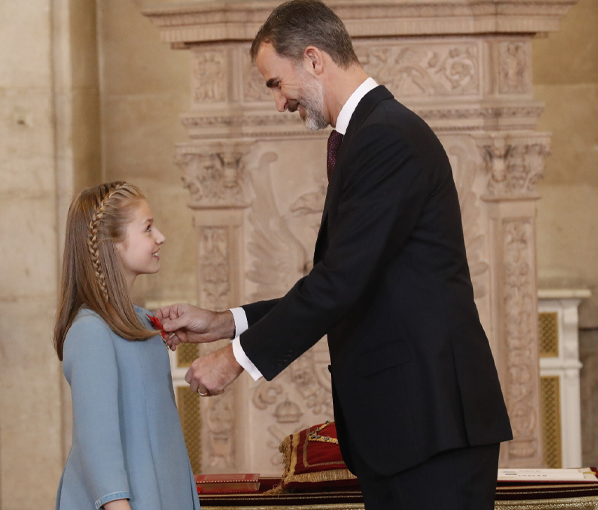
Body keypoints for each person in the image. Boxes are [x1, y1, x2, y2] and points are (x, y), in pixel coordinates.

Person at [156, 1, 513, 509]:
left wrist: (235, 360)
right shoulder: (370, 134)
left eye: (276, 83)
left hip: (433, 424)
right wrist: (224, 322)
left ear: (313, 59)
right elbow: (345, 281)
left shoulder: (387, 137)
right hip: (405, 429)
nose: (279, 103)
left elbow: (339, 283)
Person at [53, 182, 200, 510]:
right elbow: (97, 444)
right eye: (148, 228)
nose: (160, 236)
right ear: (113, 244)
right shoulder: (91, 331)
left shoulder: (145, 323)